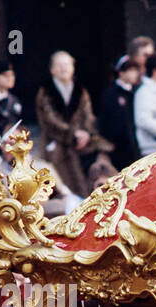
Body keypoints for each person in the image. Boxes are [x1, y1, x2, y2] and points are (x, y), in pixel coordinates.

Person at [35, 50, 114, 200]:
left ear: (73, 67)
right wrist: (73, 134)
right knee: (64, 179)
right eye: (59, 65)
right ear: (52, 70)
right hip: (58, 141)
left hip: (82, 141)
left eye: (67, 64)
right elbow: (50, 120)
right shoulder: (45, 92)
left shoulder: (80, 90)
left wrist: (85, 133)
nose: (63, 68)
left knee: (103, 153)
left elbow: (87, 115)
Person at [98, 55, 141, 172]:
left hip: (135, 145)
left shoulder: (137, 91)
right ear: (121, 73)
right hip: (119, 147)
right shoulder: (110, 94)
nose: (135, 74)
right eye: (131, 71)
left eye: (136, 70)